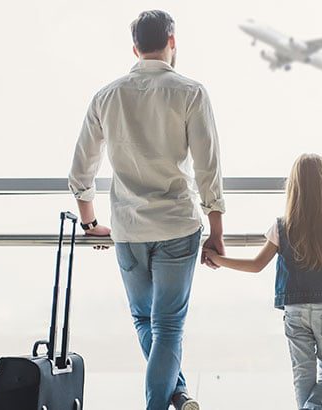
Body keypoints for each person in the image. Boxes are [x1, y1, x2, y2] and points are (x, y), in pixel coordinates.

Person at [67, 10, 225, 410]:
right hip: (176, 226)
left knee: (146, 321)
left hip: (129, 229)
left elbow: (81, 170)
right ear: (172, 42)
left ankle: (178, 394)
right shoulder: (190, 92)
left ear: (135, 48)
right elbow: (208, 168)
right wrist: (217, 230)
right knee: (168, 326)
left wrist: (90, 223)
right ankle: (170, 398)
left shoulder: (107, 95)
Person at [207, 153, 322, 410]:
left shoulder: (282, 226)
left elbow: (256, 266)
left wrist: (219, 260)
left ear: (294, 186)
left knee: (303, 375)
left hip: (295, 310)